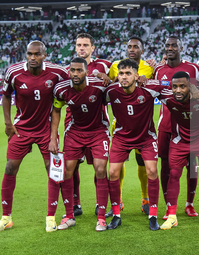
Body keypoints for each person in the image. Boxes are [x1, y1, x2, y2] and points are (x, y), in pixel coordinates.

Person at [0, 41, 69, 231]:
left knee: (53, 171)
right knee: (10, 168)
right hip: (22, 128)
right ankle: (6, 217)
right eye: (29, 54)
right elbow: (6, 95)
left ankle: (50, 217)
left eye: (36, 54)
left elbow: (75, 77)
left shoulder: (57, 72)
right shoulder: (14, 72)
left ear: (44, 55)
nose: (32, 58)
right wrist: (8, 123)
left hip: (46, 130)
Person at [105, 59, 171, 231]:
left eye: (128, 73)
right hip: (121, 137)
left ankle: (153, 216)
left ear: (136, 75)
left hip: (146, 137)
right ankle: (116, 215)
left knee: (151, 171)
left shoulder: (149, 88)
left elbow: (172, 85)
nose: (124, 77)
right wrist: (100, 76)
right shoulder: (111, 91)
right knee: (112, 173)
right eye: (121, 73)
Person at [47, 57, 110, 232]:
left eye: (79, 70)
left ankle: (101, 217)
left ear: (87, 72)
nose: (75, 73)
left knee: (100, 169)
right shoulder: (61, 89)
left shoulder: (100, 85)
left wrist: (105, 76)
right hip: (75, 132)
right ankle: (69, 215)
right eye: (72, 70)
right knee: (67, 170)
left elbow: (118, 93)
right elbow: (56, 110)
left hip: (98, 131)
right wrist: (53, 138)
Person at [153, 35, 199, 220]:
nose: (170, 48)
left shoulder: (192, 68)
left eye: (174, 45)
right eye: (167, 45)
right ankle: (169, 205)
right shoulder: (159, 70)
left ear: (181, 48)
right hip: (166, 126)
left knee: (191, 165)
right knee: (165, 166)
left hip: (189, 125)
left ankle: (189, 204)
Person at [159, 71, 199, 231]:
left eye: (182, 87)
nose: (178, 90)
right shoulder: (166, 96)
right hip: (180, 139)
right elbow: (147, 86)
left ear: (189, 86)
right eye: (175, 87)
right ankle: (172, 216)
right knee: (173, 175)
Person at [66, 33, 112, 217]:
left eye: (85, 44)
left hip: (97, 124)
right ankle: (75, 203)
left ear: (93, 48)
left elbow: (125, 77)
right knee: (73, 166)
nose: (81, 47)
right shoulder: (68, 69)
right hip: (73, 123)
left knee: (99, 166)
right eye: (78, 44)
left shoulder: (105, 65)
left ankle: (99, 203)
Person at [108, 36, 155, 215]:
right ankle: (118, 200)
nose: (132, 49)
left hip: (142, 124)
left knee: (142, 161)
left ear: (142, 50)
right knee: (118, 163)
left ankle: (146, 198)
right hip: (121, 124)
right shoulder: (115, 66)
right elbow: (109, 83)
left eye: (136, 47)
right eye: (129, 46)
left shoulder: (150, 67)